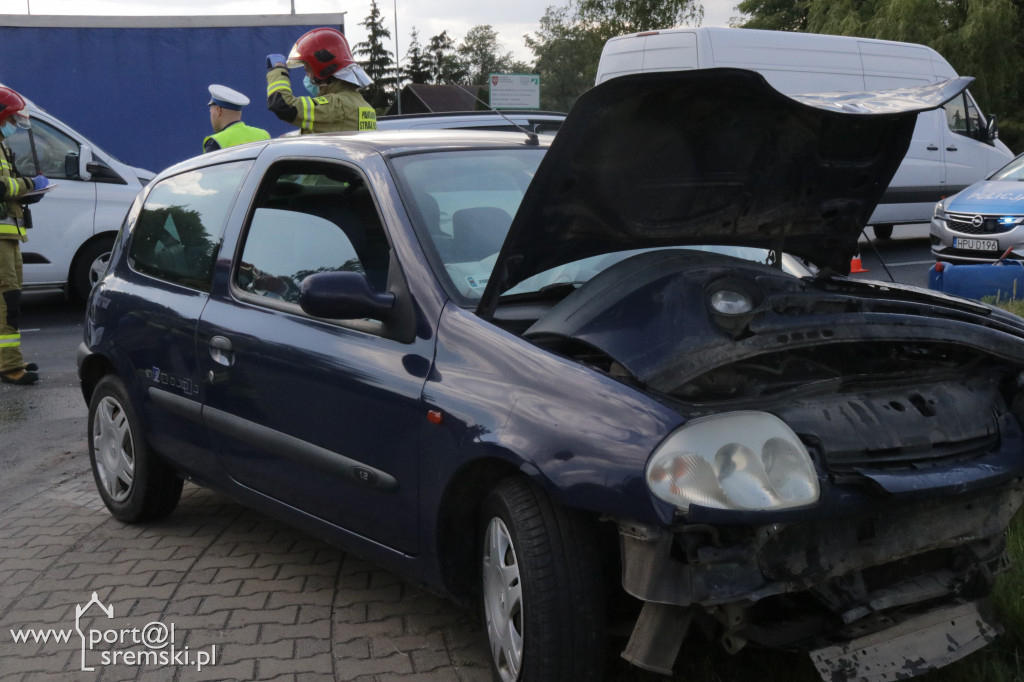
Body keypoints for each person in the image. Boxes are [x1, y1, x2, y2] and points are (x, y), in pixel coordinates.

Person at [0, 86, 48, 385]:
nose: (13, 126)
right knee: (7, 300)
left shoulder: (2, 145)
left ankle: (9, 360)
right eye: (10, 119)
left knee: (8, 300)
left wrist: (30, 193)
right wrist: (30, 183)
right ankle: (9, 365)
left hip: (8, 236)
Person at [266, 27, 377, 134]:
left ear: (322, 69)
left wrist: (278, 70)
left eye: (308, 69)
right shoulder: (361, 104)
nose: (308, 76)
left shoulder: (337, 106)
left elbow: (284, 106)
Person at [203, 84, 271, 154]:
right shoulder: (263, 135)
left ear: (218, 110)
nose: (211, 115)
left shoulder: (216, 142)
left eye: (211, 111)